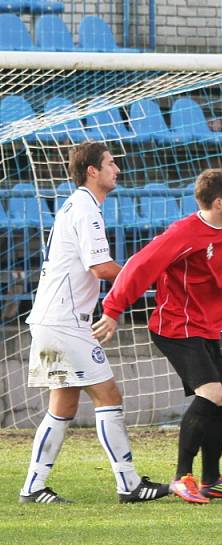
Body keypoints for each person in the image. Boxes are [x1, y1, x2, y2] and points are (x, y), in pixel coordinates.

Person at [19, 142, 170, 504]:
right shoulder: (85, 208)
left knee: (63, 406)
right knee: (109, 395)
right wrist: (144, 276)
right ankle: (129, 484)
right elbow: (100, 269)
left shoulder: (77, 205)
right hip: (65, 323)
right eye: (110, 163)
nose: (117, 169)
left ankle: (33, 487)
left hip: (52, 319)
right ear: (92, 170)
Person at [92, 168, 222, 504]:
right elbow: (140, 265)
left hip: (205, 328)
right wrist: (113, 308)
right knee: (208, 393)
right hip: (176, 327)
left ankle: (211, 480)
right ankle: (181, 477)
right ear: (218, 201)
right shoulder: (184, 233)